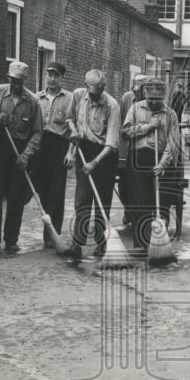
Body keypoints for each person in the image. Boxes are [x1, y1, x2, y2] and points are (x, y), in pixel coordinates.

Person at [0, 61, 42, 255]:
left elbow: (37, 133)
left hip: (19, 153)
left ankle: (11, 239)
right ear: (8, 79)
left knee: (16, 197)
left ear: (25, 81)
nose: (16, 86)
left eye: (20, 82)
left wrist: (26, 155)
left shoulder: (32, 102)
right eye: (13, 81)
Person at [61, 69, 121, 259]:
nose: (96, 96)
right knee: (82, 200)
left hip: (104, 156)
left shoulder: (112, 105)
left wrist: (94, 164)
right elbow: (70, 119)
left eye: (100, 91)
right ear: (87, 86)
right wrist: (73, 133)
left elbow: (111, 144)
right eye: (93, 92)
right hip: (83, 149)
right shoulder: (78, 96)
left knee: (102, 202)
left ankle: (102, 244)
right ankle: (77, 244)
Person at [121, 78, 181, 250]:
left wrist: (162, 164)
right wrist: (147, 127)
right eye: (151, 98)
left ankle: (158, 244)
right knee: (138, 202)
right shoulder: (135, 108)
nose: (154, 102)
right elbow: (125, 132)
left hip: (160, 161)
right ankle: (141, 244)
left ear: (164, 96)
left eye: (158, 98)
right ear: (145, 93)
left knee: (159, 204)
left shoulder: (171, 115)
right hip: (138, 158)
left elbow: (173, 143)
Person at [34, 61, 75, 246]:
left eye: (56, 75)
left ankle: (53, 235)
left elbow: (74, 129)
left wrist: (71, 152)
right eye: (49, 74)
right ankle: (47, 232)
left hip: (59, 147)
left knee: (56, 193)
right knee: (42, 192)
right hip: (40, 147)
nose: (51, 78)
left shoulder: (70, 99)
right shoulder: (37, 98)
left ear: (61, 78)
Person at [117, 73, 148, 225]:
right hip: (128, 146)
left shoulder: (151, 101)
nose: (137, 93)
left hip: (144, 147)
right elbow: (122, 123)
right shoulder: (126, 98)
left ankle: (144, 216)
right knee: (124, 183)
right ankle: (128, 210)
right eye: (134, 89)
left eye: (140, 90)